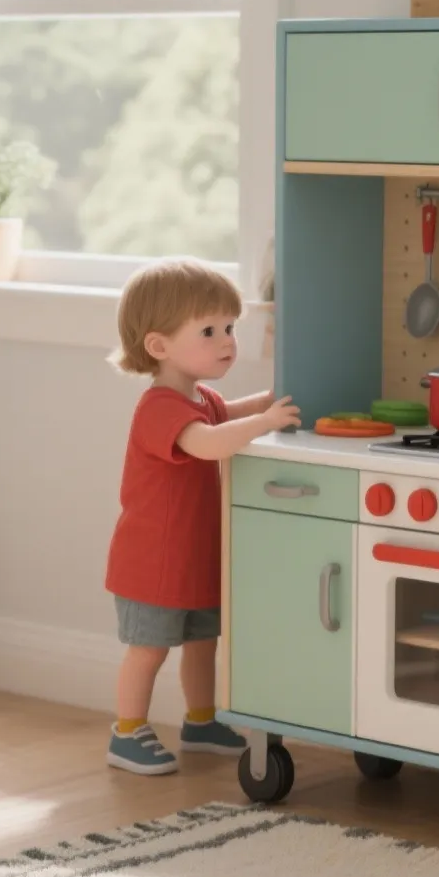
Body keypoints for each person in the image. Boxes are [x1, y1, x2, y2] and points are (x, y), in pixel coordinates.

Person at [102, 258, 301, 774]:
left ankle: (200, 720)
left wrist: (275, 399)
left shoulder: (201, 396)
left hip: (193, 559)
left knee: (201, 643)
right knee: (149, 649)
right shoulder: (160, 408)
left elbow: (226, 415)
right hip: (154, 564)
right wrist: (266, 421)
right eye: (209, 331)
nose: (227, 342)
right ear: (158, 346)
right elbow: (210, 444)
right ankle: (126, 731)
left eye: (230, 328)